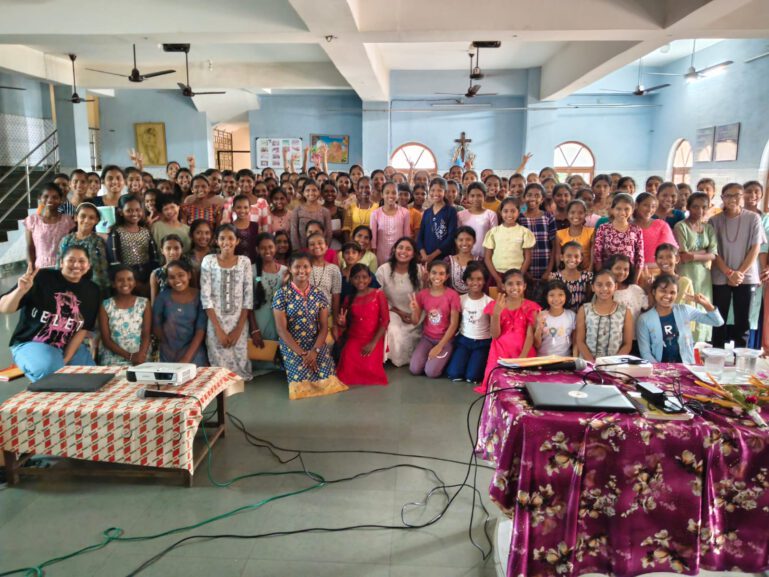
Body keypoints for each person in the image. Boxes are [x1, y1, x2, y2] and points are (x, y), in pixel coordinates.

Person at [0, 246, 99, 382]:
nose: (76, 265)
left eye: (82, 261)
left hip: (66, 344)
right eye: (71, 260)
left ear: (88, 265)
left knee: (93, 377)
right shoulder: (42, 278)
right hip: (32, 342)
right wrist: (20, 291)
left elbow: (82, 329)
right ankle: (30, 363)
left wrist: (65, 359)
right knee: (52, 374)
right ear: (61, 262)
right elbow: (4, 308)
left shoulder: (92, 291)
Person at [273, 252, 346, 399]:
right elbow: (281, 330)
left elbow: (324, 327)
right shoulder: (281, 294)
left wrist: (315, 351)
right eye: (297, 267)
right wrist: (303, 354)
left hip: (315, 343)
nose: (302, 270)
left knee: (329, 380)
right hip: (292, 345)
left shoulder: (319, 294)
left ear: (310, 268)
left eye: (305, 266)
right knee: (300, 383)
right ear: (290, 269)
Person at [710, 183, 765, 348]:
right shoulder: (714, 220)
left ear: (743, 197)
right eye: (728, 195)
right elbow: (713, 251)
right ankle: (716, 354)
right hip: (721, 275)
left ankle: (741, 358)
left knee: (743, 321)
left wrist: (739, 273)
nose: (732, 199)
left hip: (746, 277)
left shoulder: (753, 218)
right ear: (722, 198)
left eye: (737, 195)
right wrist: (729, 273)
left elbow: (756, 248)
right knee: (718, 319)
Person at [200, 224, 254, 381]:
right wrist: (218, 330)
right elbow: (206, 297)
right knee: (218, 372)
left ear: (237, 241)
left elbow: (248, 297)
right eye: (222, 238)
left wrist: (238, 329)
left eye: (231, 238)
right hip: (215, 322)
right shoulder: (208, 261)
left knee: (240, 364)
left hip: (239, 321)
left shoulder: (244, 262)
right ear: (216, 241)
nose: (226, 242)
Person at [478, 269, 541, 393]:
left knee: (524, 387)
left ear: (524, 286)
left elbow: (530, 336)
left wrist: (521, 359)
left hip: (523, 352)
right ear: (503, 286)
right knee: (498, 386)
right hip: (500, 352)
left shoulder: (531, 306)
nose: (515, 287)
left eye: (518, 283)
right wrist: (496, 314)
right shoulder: (495, 305)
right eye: (510, 284)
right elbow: (495, 335)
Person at [636, 274, 723, 364]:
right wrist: (659, 370)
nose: (668, 296)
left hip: (687, 368)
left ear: (677, 294)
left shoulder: (684, 310)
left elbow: (717, 322)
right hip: (660, 371)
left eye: (672, 292)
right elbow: (645, 353)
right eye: (663, 291)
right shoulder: (644, 319)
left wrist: (705, 303)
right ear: (654, 292)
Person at [335, 263, 390, 386]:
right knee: (346, 371)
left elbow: (385, 321)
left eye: (364, 277)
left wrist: (373, 343)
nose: (361, 280)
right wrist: (342, 323)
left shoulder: (378, 294)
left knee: (371, 370)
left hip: (373, 338)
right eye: (357, 277)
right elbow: (344, 325)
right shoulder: (349, 299)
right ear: (351, 279)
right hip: (354, 338)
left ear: (370, 279)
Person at [673, 192, 718, 343]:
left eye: (704, 207)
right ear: (688, 207)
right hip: (686, 275)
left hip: (704, 277)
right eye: (695, 207)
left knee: (703, 307)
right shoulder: (681, 227)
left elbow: (714, 254)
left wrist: (693, 255)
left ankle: (699, 352)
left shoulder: (709, 228)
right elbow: (683, 256)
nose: (700, 211)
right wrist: (704, 252)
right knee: (686, 307)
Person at [376, 237, 425, 367]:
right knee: (394, 330)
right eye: (400, 248)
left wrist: (415, 312)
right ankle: (395, 359)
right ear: (394, 250)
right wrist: (399, 312)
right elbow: (378, 297)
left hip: (417, 313)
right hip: (393, 311)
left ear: (414, 253)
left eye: (408, 249)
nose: (404, 251)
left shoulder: (420, 270)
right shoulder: (383, 270)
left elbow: (424, 297)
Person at [408, 260, 461, 378]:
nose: (437, 277)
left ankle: (446, 356)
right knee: (414, 369)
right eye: (434, 273)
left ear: (447, 276)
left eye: (441, 274)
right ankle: (433, 359)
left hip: (445, 340)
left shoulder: (453, 295)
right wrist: (414, 310)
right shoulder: (422, 294)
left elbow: (454, 324)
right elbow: (415, 321)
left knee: (431, 373)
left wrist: (440, 346)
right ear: (429, 274)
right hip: (427, 338)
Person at [152, 259, 207, 365]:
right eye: (172, 277)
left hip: (194, 350)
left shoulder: (200, 297)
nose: (177, 280)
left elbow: (201, 330)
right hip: (168, 351)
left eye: (181, 275)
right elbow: (156, 325)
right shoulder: (162, 297)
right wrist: (168, 346)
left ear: (189, 275)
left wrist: (187, 357)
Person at [446, 262, 493, 384]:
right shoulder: (461, 299)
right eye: (471, 279)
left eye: (479, 279)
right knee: (454, 374)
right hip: (464, 341)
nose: (475, 282)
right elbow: (456, 321)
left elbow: (492, 328)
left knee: (472, 377)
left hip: (482, 342)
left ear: (484, 281)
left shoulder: (489, 302)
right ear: (466, 281)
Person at [248, 233, 287, 373]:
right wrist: (254, 329)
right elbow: (248, 304)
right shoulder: (251, 271)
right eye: (263, 248)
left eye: (270, 247)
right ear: (257, 250)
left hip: (278, 323)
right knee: (260, 354)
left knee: (277, 360)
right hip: (259, 322)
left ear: (275, 247)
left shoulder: (284, 271)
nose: (267, 251)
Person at [106, 194, 159, 297]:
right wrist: (136, 284)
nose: (134, 213)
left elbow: (154, 258)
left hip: (148, 278)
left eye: (137, 210)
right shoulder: (116, 233)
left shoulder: (146, 231)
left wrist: (150, 283)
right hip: (126, 281)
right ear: (121, 212)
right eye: (129, 210)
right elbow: (115, 262)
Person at [575, 269, 634, 361]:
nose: (604, 288)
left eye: (609, 284)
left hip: (615, 365)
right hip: (588, 365)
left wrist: (613, 363)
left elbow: (627, 344)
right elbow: (580, 341)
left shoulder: (625, 311)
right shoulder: (584, 309)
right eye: (599, 285)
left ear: (616, 287)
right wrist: (592, 363)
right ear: (593, 287)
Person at [98, 266, 151, 366]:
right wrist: (130, 356)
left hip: (140, 355)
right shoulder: (106, 305)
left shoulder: (144, 303)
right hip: (113, 357)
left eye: (129, 279)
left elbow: (146, 334)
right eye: (120, 280)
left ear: (135, 283)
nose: (125, 283)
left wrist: (141, 355)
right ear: (113, 284)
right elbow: (106, 340)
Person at [57, 202, 109, 297]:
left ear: (97, 220)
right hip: (67, 287)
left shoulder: (98, 241)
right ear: (76, 217)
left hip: (91, 288)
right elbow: (59, 264)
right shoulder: (66, 240)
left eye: (91, 217)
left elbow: (102, 268)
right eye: (83, 216)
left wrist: (100, 291)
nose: (86, 220)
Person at [483, 197, 535, 287]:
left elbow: (527, 258)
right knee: (498, 299)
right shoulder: (493, 232)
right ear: (501, 212)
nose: (509, 214)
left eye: (513, 211)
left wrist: (519, 276)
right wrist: (497, 278)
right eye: (505, 211)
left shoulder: (524, 232)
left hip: (518, 274)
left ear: (518, 212)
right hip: (497, 274)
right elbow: (487, 258)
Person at [593, 193, 644, 278]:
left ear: (632, 210)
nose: (622, 212)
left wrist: (635, 280)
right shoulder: (603, 228)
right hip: (607, 275)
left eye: (627, 209)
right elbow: (597, 254)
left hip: (628, 275)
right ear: (612, 210)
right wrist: (602, 276)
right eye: (618, 209)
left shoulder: (636, 230)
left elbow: (640, 257)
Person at [518, 183, 556, 295]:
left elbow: (554, 246)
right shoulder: (519, 218)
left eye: (537, 195)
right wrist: (524, 272)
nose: (533, 198)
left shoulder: (548, 217)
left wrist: (549, 270)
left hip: (545, 268)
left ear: (542, 199)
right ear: (524, 198)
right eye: (529, 195)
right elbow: (517, 248)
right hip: (525, 270)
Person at [25, 183, 74, 269]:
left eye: (55, 197)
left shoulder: (68, 221)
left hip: (63, 267)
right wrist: (30, 266)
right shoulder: (32, 220)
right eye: (46, 196)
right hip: (40, 267)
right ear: (40, 198)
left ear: (61, 199)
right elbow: (30, 247)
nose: (50, 200)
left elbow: (72, 246)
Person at [633, 192, 678, 280]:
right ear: (637, 205)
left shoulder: (661, 225)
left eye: (653, 206)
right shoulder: (628, 226)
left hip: (659, 272)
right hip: (632, 272)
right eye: (645, 205)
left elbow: (669, 250)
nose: (649, 209)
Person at [417, 177, 458, 265]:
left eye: (439, 190)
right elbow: (420, 236)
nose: (435, 193)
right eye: (433, 190)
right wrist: (424, 255)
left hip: (444, 257)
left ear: (445, 192)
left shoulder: (451, 211)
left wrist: (432, 256)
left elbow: (451, 237)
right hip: (426, 257)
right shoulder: (427, 212)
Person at [370, 182, 411, 265]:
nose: (391, 195)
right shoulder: (375, 213)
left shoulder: (405, 212)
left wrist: (406, 254)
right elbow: (373, 239)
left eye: (394, 193)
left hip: (399, 254)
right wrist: (374, 255)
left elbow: (406, 236)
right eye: (387, 192)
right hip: (381, 254)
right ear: (382, 195)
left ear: (397, 195)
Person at [534, 279, 576, 356]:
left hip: (565, 360)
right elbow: (537, 345)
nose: (556, 299)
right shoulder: (541, 315)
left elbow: (575, 342)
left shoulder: (571, 315)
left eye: (560, 295)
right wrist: (539, 327)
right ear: (546, 297)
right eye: (551, 295)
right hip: (543, 360)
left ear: (566, 296)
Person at [306, 232, 342, 319]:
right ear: (307, 248)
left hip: (327, 317)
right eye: (312, 244)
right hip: (305, 318)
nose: (316, 246)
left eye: (320, 243)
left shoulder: (334, 269)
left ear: (326, 247)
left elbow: (336, 297)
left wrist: (335, 323)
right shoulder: (303, 267)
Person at [458, 182, 498, 259]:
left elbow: (493, 238)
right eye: (472, 196)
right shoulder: (460, 215)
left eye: (479, 195)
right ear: (467, 197)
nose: (476, 199)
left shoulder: (491, 215)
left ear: (484, 196)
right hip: (465, 256)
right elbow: (457, 238)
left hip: (485, 257)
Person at [289, 179, 331, 251]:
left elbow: (328, 233)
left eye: (314, 190)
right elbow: (294, 233)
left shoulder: (325, 211)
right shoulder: (297, 210)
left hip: (320, 250)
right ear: (303, 193)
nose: (311, 193)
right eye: (307, 190)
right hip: (302, 250)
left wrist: (324, 250)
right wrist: (298, 251)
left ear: (319, 192)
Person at [554, 199, 593, 271]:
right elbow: (558, 255)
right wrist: (560, 272)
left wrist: (589, 273)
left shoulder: (591, 232)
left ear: (585, 214)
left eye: (580, 213)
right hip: (566, 273)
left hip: (585, 272)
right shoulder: (559, 234)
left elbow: (593, 255)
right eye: (572, 212)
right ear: (567, 214)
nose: (576, 215)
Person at [552, 241, 592, 311]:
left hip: (581, 316)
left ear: (581, 259)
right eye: (568, 256)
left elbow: (589, 298)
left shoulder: (587, 277)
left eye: (576, 256)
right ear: (561, 257)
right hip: (563, 317)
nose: (572, 259)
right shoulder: (555, 277)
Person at [608, 254, 649, 323]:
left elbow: (648, 307)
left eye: (626, 269)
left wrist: (649, 289)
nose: (622, 272)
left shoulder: (635, 289)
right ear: (609, 269)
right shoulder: (604, 291)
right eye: (618, 268)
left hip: (635, 331)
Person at [445, 226, 481, 295]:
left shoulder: (480, 261)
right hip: (452, 303)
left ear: (474, 240)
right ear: (456, 241)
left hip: (475, 301)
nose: (464, 243)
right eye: (461, 240)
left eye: (468, 239)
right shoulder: (448, 261)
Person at [150, 234, 185, 303]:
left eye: (176, 248)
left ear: (182, 250)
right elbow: (154, 303)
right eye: (168, 248)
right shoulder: (156, 274)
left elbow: (194, 296)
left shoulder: (188, 271)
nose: (172, 252)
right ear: (162, 251)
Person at [230, 194, 261, 263]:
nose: (242, 210)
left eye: (245, 207)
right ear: (233, 209)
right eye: (238, 207)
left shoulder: (255, 226)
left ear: (250, 208)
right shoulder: (230, 227)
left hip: (253, 263)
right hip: (235, 264)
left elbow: (258, 245)